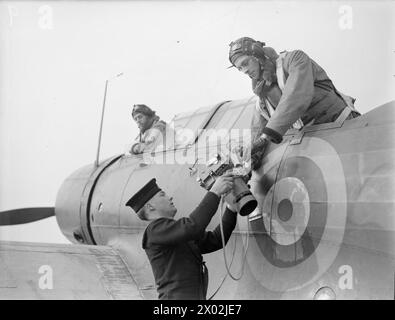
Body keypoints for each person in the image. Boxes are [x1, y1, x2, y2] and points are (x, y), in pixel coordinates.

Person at [228, 37, 360, 170]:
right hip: (319, 145)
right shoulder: (262, 100)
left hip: (346, 129)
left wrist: (265, 137)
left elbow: (296, 95)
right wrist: (247, 159)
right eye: (239, 68)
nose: (244, 71)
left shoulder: (295, 59)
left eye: (245, 63)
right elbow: (257, 136)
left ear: (257, 54)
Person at [125, 175, 237, 300]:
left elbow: (215, 240)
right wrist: (215, 192)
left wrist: (231, 209)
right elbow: (193, 226)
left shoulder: (174, 232)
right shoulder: (154, 230)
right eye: (163, 195)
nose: (170, 197)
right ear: (150, 207)